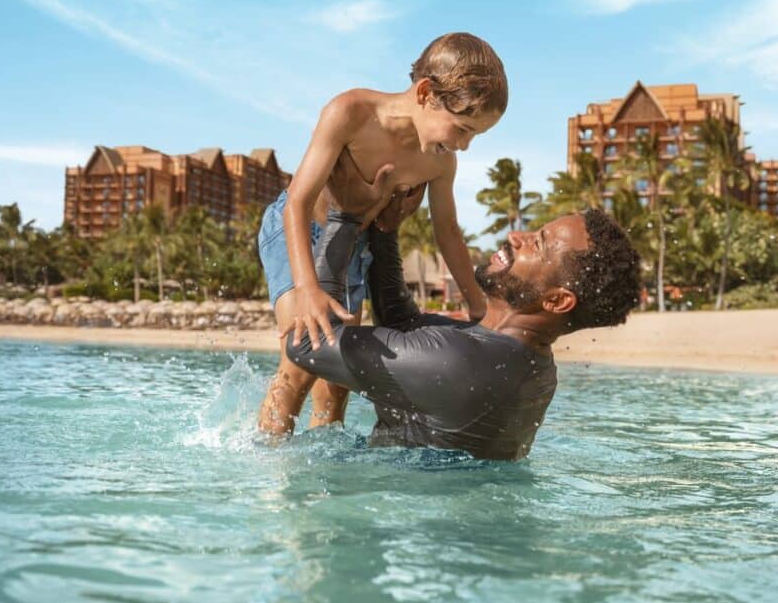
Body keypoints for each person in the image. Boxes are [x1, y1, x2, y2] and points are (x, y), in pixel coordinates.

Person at [258, 187, 641, 460]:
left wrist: (345, 213)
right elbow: (402, 323)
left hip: (404, 517)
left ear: (556, 300)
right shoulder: (519, 361)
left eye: (536, 244)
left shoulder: (462, 363)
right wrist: (386, 230)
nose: (516, 237)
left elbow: (305, 346)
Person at [257, 33, 507, 434]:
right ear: (426, 93)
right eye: (462, 129)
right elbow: (297, 203)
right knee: (303, 360)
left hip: (354, 245)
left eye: (474, 135)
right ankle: (269, 467)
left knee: (338, 378)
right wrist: (307, 287)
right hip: (301, 233)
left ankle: (324, 474)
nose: (464, 145)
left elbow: (447, 232)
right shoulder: (352, 112)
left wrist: (479, 307)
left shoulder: (441, 162)